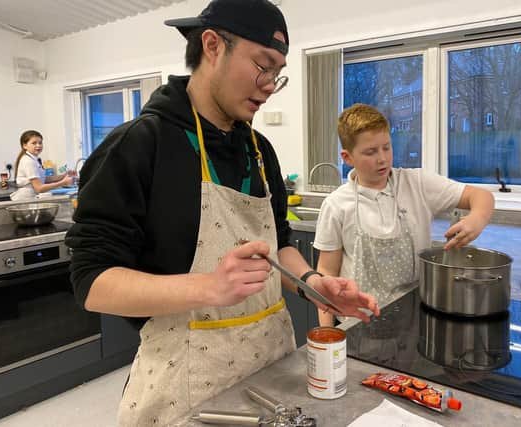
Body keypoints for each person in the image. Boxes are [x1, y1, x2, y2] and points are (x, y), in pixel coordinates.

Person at [65, 1, 379, 425]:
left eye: (277, 73)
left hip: (271, 373)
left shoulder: (258, 149)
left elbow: (279, 246)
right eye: (262, 66)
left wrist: (315, 284)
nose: (269, 85)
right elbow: (93, 282)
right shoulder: (140, 145)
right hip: (183, 388)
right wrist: (209, 288)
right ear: (213, 45)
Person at [314, 104, 494, 327]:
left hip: (414, 318)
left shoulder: (417, 183)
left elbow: (481, 196)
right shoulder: (336, 205)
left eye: (386, 148)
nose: (382, 159)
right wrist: (327, 334)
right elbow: (326, 274)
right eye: (370, 152)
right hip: (358, 323)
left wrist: (478, 218)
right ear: (347, 157)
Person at [10, 130, 73, 201]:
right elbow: (39, 188)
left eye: (40, 143)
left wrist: (64, 176)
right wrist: (63, 182)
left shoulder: (34, 159)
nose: (38, 145)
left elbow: (43, 178)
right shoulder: (28, 161)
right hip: (25, 200)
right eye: (34, 143)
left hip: (31, 198)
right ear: (25, 146)